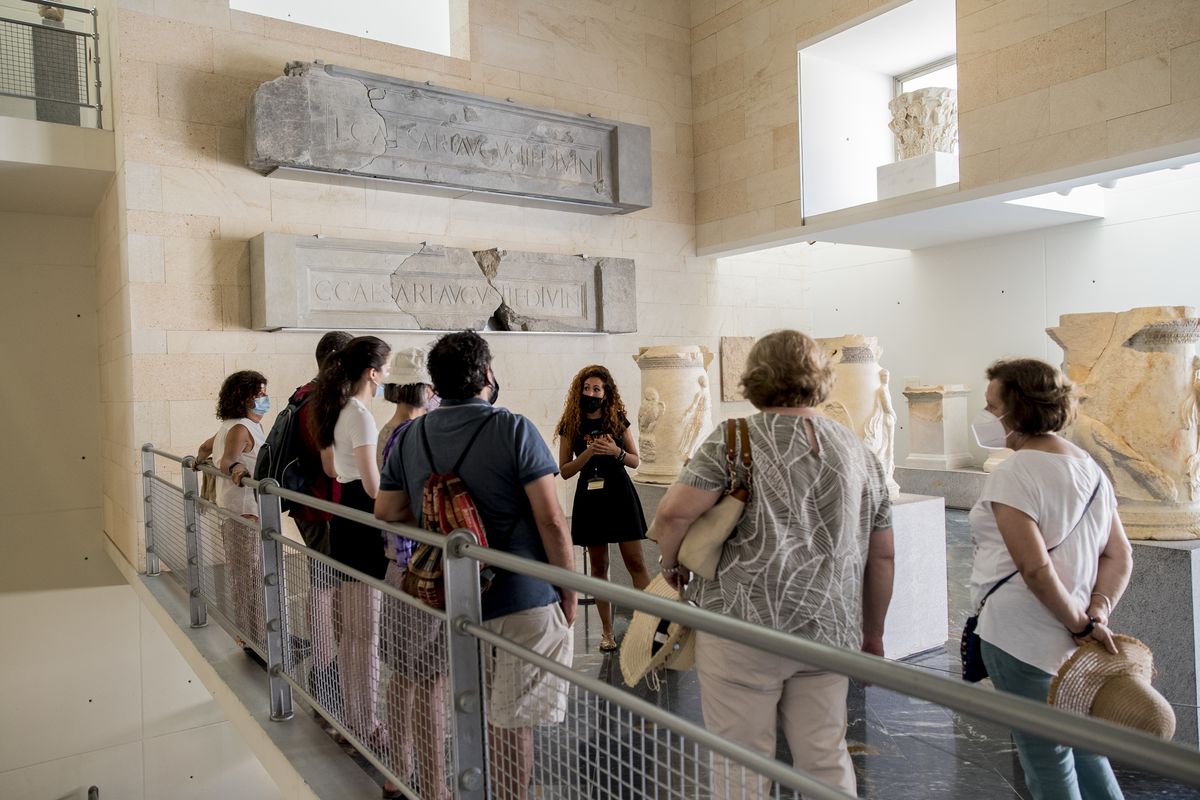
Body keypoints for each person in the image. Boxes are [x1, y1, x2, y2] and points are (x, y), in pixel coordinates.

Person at [652, 330, 894, 797]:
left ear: (754, 378)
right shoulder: (857, 449)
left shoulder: (734, 436)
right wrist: (873, 634)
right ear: (820, 377)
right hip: (827, 627)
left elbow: (673, 513)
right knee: (825, 755)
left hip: (742, 626)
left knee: (740, 759)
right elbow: (882, 553)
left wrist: (670, 564)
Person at [375, 330, 577, 800]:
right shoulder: (513, 428)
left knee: (481, 711)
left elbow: (386, 511)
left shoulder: (411, 435)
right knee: (514, 722)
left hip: (458, 600)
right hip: (523, 598)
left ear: (436, 384)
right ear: (487, 374)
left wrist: (437, 523)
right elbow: (551, 519)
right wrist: (568, 589)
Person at [968, 358, 1133, 800]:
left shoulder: (1014, 473)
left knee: (1047, 763)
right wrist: (1093, 615)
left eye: (991, 407)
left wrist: (1078, 622)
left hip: (1020, 635)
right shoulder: (1091, 469)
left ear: (1017, 410)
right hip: (1075, 636)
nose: (987, 417)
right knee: (1086, 750)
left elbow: (1035, 568)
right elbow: (1119, 554)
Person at [312, 335, 393, 745]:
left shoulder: (334, 408)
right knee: (366, 633)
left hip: (344, 518)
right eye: (386, 366)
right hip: (362, 518)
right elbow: (373, 484)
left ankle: (352, 717)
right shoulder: (359, 414)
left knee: (354, 632)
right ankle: (365, 724)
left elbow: (332, 468)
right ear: (373, 372)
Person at [373, 349, 445, 800]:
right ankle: (433, 784)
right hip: (421, 568)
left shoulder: (389, 429)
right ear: (423, 388)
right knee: (429, 679)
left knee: (406, 674)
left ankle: (397, 770)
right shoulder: (415, 433)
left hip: (398, 566)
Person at [555, 365, 650, 652]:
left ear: (606, 392)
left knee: (636, 562)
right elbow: (565, 470)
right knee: (599, 566)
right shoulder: (571, 424)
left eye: (597, 389)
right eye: (587, 388)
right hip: (591, 498)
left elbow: (635, 461)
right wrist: (589, 452)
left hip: (620, 495)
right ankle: (607, 632)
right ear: (579, 391)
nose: (592, 393)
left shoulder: (617, 419)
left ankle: (649, 628)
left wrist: (615, 452)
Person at [287, 330, 352, 712]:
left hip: (311, 503)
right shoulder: (324, 402)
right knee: (327, 586)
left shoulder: (302, 393)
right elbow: (332, 464)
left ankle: (326, 664)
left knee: (322, 582)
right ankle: (327, 667)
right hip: (323, 505)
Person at [195, 370, 269, 657]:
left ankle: (255, 636)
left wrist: (198, 462)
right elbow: (228, 460)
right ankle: (253, 640)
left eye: (265, 393)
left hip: (237, 511)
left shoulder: (231, 425)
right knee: (248, 579)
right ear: (244, 398)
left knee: (246, 577)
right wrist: (236, 469)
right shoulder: (242, 428)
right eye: (259, 394)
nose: (264, 399)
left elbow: (204, 448)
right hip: (244, 512)